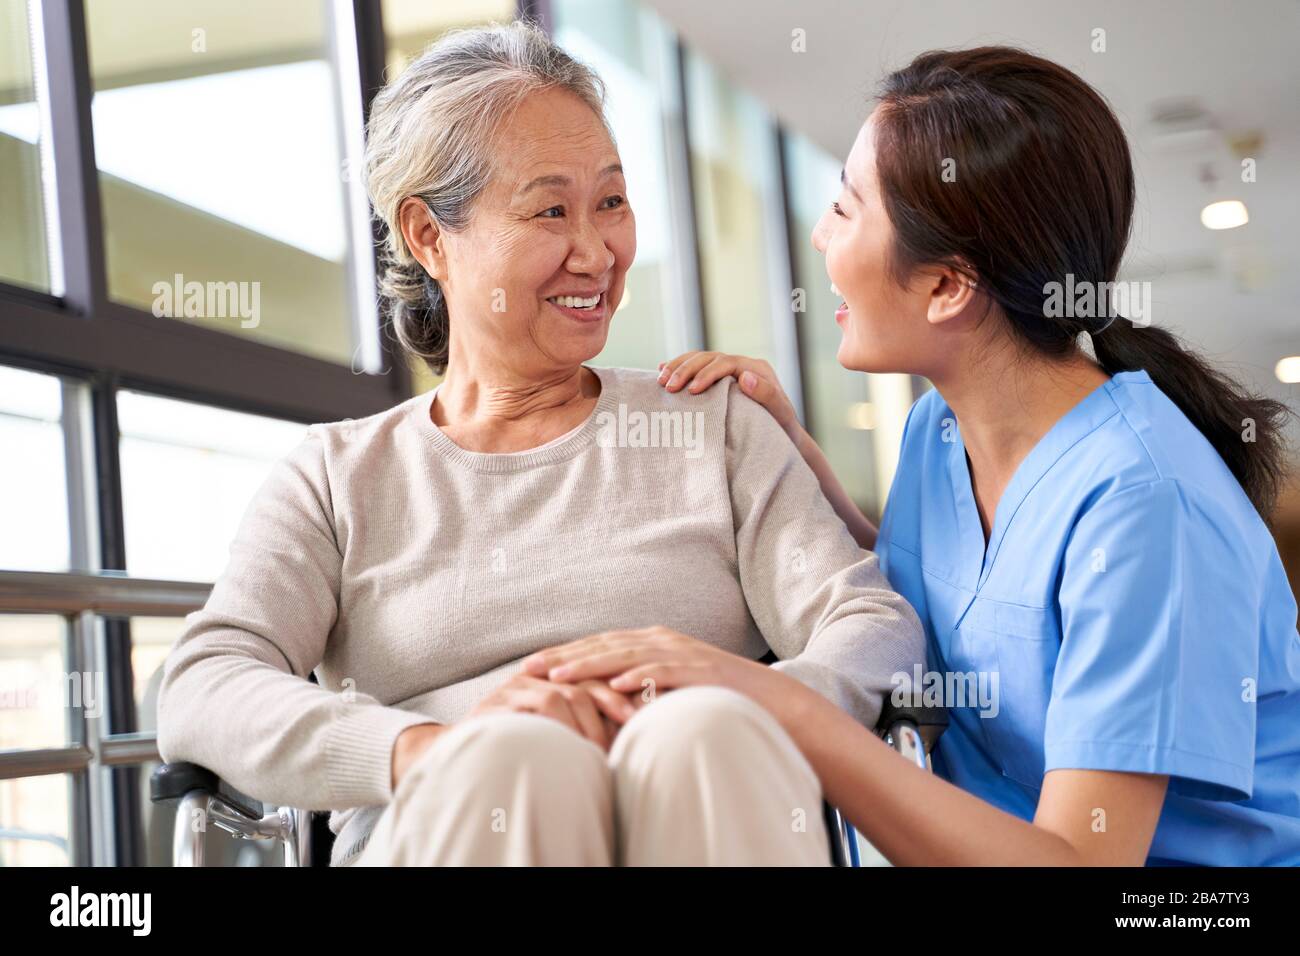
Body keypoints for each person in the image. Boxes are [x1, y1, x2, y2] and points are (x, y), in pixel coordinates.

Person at [155, 22, 924, 867]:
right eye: (551, 209)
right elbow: (206, 682)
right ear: (427, 235)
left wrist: (746, 693)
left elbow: (871, 623)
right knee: (519, 759)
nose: (595, 252)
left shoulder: (712, 424)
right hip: (458, 813)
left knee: (701, 729)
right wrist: (421, 748)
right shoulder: (337, 476)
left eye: (612, 202)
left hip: (706, 801)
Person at [532, 46, 1300, 865]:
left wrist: (780, 703)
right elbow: (954, 588)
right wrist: (792, 455)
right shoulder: (939, 429)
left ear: (946, 287)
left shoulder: (1145, 504)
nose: (822, 236)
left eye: (846, 208)